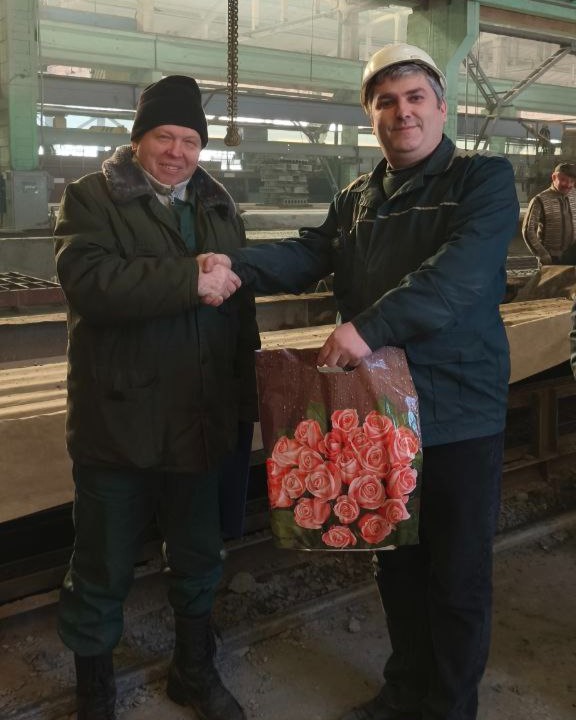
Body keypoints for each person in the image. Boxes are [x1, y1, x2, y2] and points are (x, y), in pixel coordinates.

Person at [200, 42, 519, 720]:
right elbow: (311, 254)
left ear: (442, 107)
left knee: (456, 571)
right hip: (377, 409)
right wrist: (235, 266)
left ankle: (449, 707)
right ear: (371, 117)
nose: (403, 113)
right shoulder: (357, 198)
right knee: (395, 558)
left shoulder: (482, 179)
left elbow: (457, 277)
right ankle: (405, 691)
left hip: (458, 407)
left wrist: (364, 330)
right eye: (386, 102)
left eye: (415, 98)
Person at [53, 75, 260, 720]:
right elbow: (91, 282)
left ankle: (193, 672)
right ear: (138, 138)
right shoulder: (91, 198)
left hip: (199, 419)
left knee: (199, 556)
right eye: (164, 137)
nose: (177, 152)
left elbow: (240, 313)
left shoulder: (218, 206)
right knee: (101, 565)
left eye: (190, 140)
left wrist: (246, 399)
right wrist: (188, 279)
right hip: (118, 421)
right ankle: (95, 695)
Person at [522, 162, 576, 265]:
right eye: (563, 180)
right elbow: (528, 230)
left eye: (572, 181)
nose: (568, 185)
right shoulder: (539, 200)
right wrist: (542, 254)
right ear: (554, 177)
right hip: (552, 257)